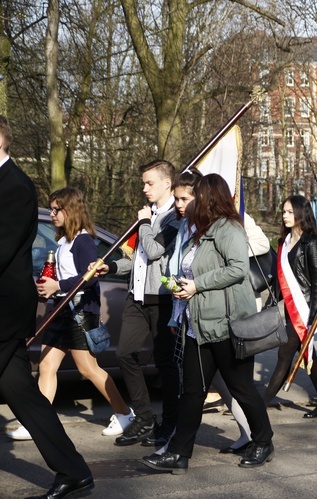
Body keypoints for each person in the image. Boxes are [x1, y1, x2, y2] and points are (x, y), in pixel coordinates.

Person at [141, 173, 274, 473]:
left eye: (195, 195)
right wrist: (180, 299)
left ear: (209, 198)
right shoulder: (200, 230)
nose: (187, 201)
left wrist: (198, 284)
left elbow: (238, 269)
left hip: (227, 325)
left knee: (241, 388)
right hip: (197, 325)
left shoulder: (229, 229)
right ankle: (179, 454)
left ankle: (263, 441)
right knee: (192, 392)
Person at [0, 115, 94, 497]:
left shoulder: (16, 187)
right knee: (21, 391)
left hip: (4, 309)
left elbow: (3, 249)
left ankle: (74, 472)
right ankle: (74, 471)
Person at [8, 188, 134, 442]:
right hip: (61, 310)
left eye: (57, 209)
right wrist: (49, 288)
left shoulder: (84, 240)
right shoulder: (64, 240)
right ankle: (38, 424)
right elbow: (65, 277)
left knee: (88, 369)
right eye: (51, 209)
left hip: (79, 312)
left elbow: (89, 279)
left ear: (71, 210)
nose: (52, 214)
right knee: (46, 365)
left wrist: (58, 287)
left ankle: (125, 413)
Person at [91, 159, 181, 447]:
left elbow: (154, 251)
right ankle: (144, 417)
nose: (144, 188)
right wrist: (113, 268)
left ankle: (170, 423)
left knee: (165, 364)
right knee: (124, 355)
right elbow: (138, 260)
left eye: (149, 182)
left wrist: (143, 222)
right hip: (137, 296)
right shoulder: (148, 215)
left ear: (167, 183)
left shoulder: (174, 219)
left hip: (162, 299)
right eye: (143, 182)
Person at [263, 195, 317, 418]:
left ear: (302, 213)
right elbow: (279, 279)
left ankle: (261, 403)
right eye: (283, 211)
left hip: (304, 312)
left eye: (290, 212)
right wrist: (269, 304)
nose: (285, 216)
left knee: (286, 354)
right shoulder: (283, 243)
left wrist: (314, 319)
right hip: (289, 311)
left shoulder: (312, 244)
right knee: (306, 355)